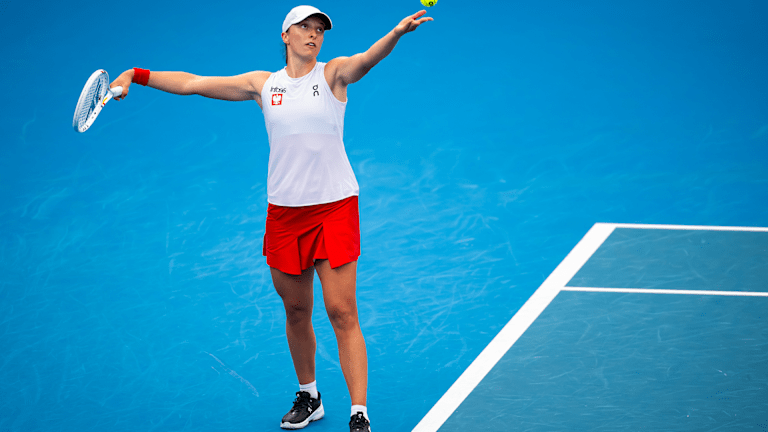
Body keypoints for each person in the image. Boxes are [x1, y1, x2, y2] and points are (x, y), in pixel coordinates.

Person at [109, 5, 432, 432]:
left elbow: (367, 59)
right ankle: (310, 395)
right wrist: (136, 73)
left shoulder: (332, 74)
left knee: (341, 311)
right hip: (284, 214)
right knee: (296, 309)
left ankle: (359, 413)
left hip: (334, 207)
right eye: (305, 28)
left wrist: (396, 32)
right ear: (286, 35)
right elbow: (192, 83)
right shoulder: (264, 85)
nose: (314, 35)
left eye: (320, 30)